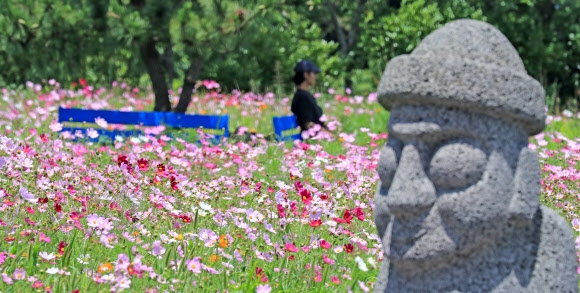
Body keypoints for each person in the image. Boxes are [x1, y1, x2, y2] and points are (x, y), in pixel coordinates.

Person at [290, 60, 333, 138]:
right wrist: (327, 134)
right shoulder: (301, 97)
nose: (315, 77)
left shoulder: (305, 95)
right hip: (313, 139)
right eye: (314, 73)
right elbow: (308, 124)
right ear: (306, 75)